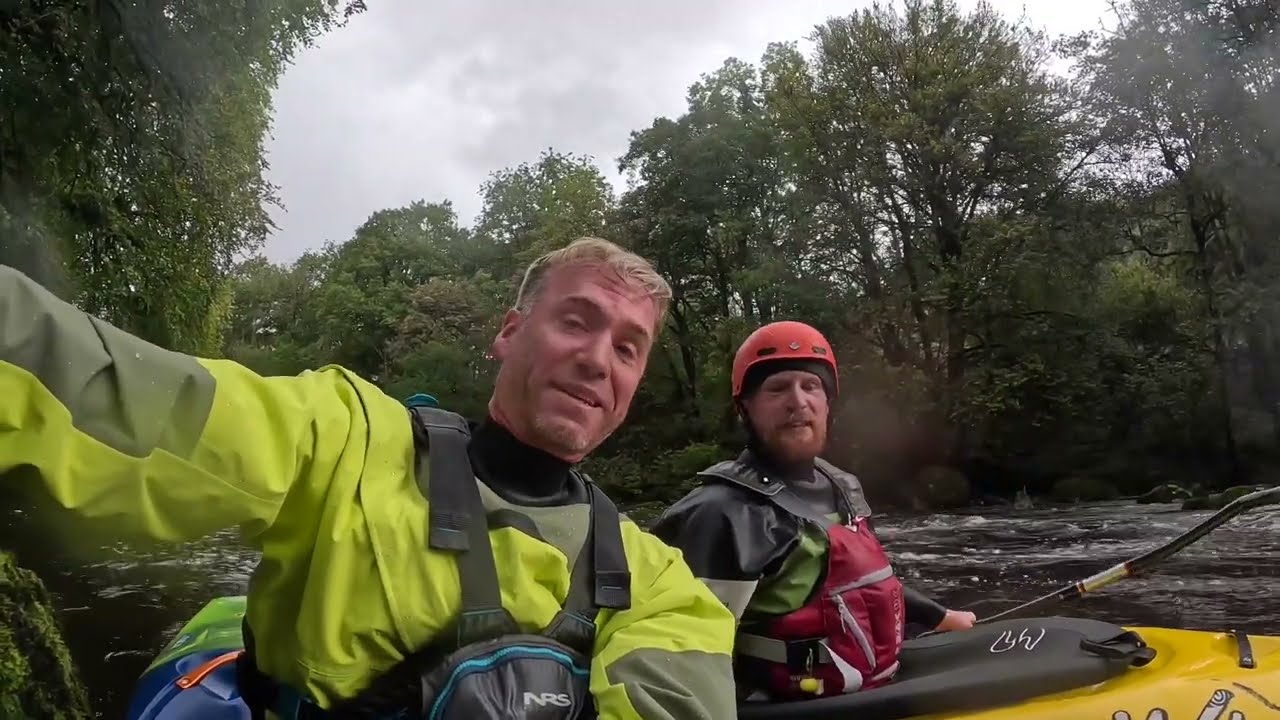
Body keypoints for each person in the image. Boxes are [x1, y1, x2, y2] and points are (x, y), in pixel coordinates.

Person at [0, 237, 737, 719]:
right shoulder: (349, 436)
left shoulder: (663, 583)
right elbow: (140, 403)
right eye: (576, 321)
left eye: (629, 348)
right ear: (509, 333)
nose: (599, 360)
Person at [650, 320, 976, 702]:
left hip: (865, 693)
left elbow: (861, 585)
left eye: (811, 386)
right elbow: (681, 656)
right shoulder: (723, 514)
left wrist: (940, 616)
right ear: (745, 409)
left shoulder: (842, 486)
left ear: (826, 404)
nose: (798, 401)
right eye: (777, 388)